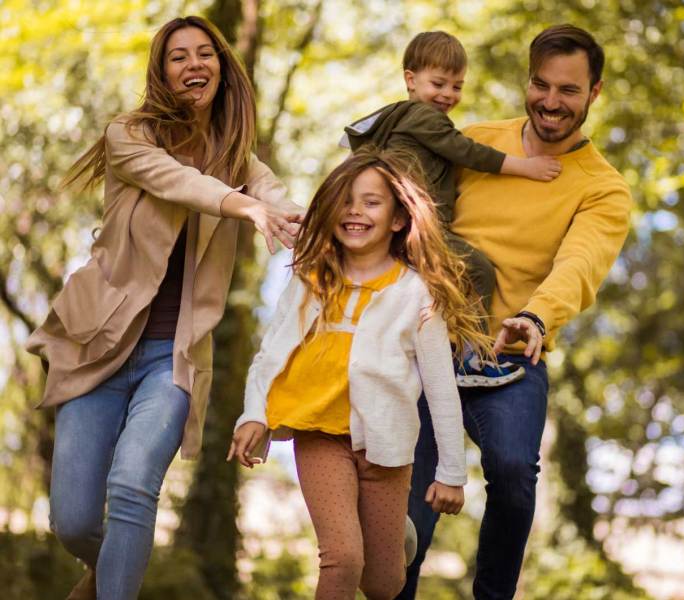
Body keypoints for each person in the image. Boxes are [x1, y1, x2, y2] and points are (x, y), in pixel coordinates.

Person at [25, 16, 304, 600]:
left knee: (133, 487)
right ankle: (107, 573)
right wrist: (242, 207)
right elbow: (177, 181)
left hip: (170, 357)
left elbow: (284, 205)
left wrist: (325, 230)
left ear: (224, 70)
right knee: (73, 521)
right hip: (95, 344)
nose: (194, 64)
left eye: (206, 54)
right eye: (179, 56)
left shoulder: (242, 162)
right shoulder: (129, 136)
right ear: (161, 71)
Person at [397, 24, 634, 600]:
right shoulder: (473, 141)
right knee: (411, 509)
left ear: (594, 92)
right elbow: (406, 200)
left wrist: (536, 316)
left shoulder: (602, 188)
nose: (551, 101)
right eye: (541, 84)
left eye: (569, 91)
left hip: (510, 351)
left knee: (512, 476)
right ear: (527, 81)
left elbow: (578, 264)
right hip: (430, 345)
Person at [228, 149, 493, 600]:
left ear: (396, 219)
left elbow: (440, 388)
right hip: (320, 435)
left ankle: (394, 534)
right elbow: (272, 350)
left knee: (383, 582)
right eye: (346, 201)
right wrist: (253, 413)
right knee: (344, 558)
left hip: (387, 448)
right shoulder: (311, 277)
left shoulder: (417, 293)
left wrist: (451, 472)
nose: (354, 211)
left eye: (371, 202)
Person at [344, 31, 563, 388]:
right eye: (439, 83)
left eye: (457, 86)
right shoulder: (422, 116)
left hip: (405, 227)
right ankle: (473, 358)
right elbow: (468, 152)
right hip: (420, 226)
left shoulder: (399, 119)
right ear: (410, 81)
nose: (448, 95)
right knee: (476, 269)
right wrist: (527, 167)